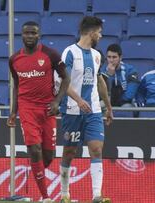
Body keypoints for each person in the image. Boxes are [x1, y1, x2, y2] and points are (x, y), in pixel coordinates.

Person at [7, 21, 70, 203]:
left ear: (38, 35)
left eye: (33, 33)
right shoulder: (14, 59)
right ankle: (45, 197)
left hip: (48, 109)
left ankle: (36, 171)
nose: (29, 36)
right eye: (26, 33)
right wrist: (13, 112)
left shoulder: (50, 54)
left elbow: (66, 78)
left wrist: (57, 101)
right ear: (21, 35)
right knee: (34, 149)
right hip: (27, 109)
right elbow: (16, 86)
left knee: (47, 156)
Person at [59, 16, 113, 203]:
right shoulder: (70, 53)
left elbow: (99, 80)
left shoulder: (97, 55)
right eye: (99, 32)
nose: (100, 35)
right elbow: (62, 82)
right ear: (91, 32)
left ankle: (96, 195)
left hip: (94, 110)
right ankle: (65, 193)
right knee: (69, 152)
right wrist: (79, 99)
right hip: (72, 110)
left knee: (96, 149)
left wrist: (108, 106)